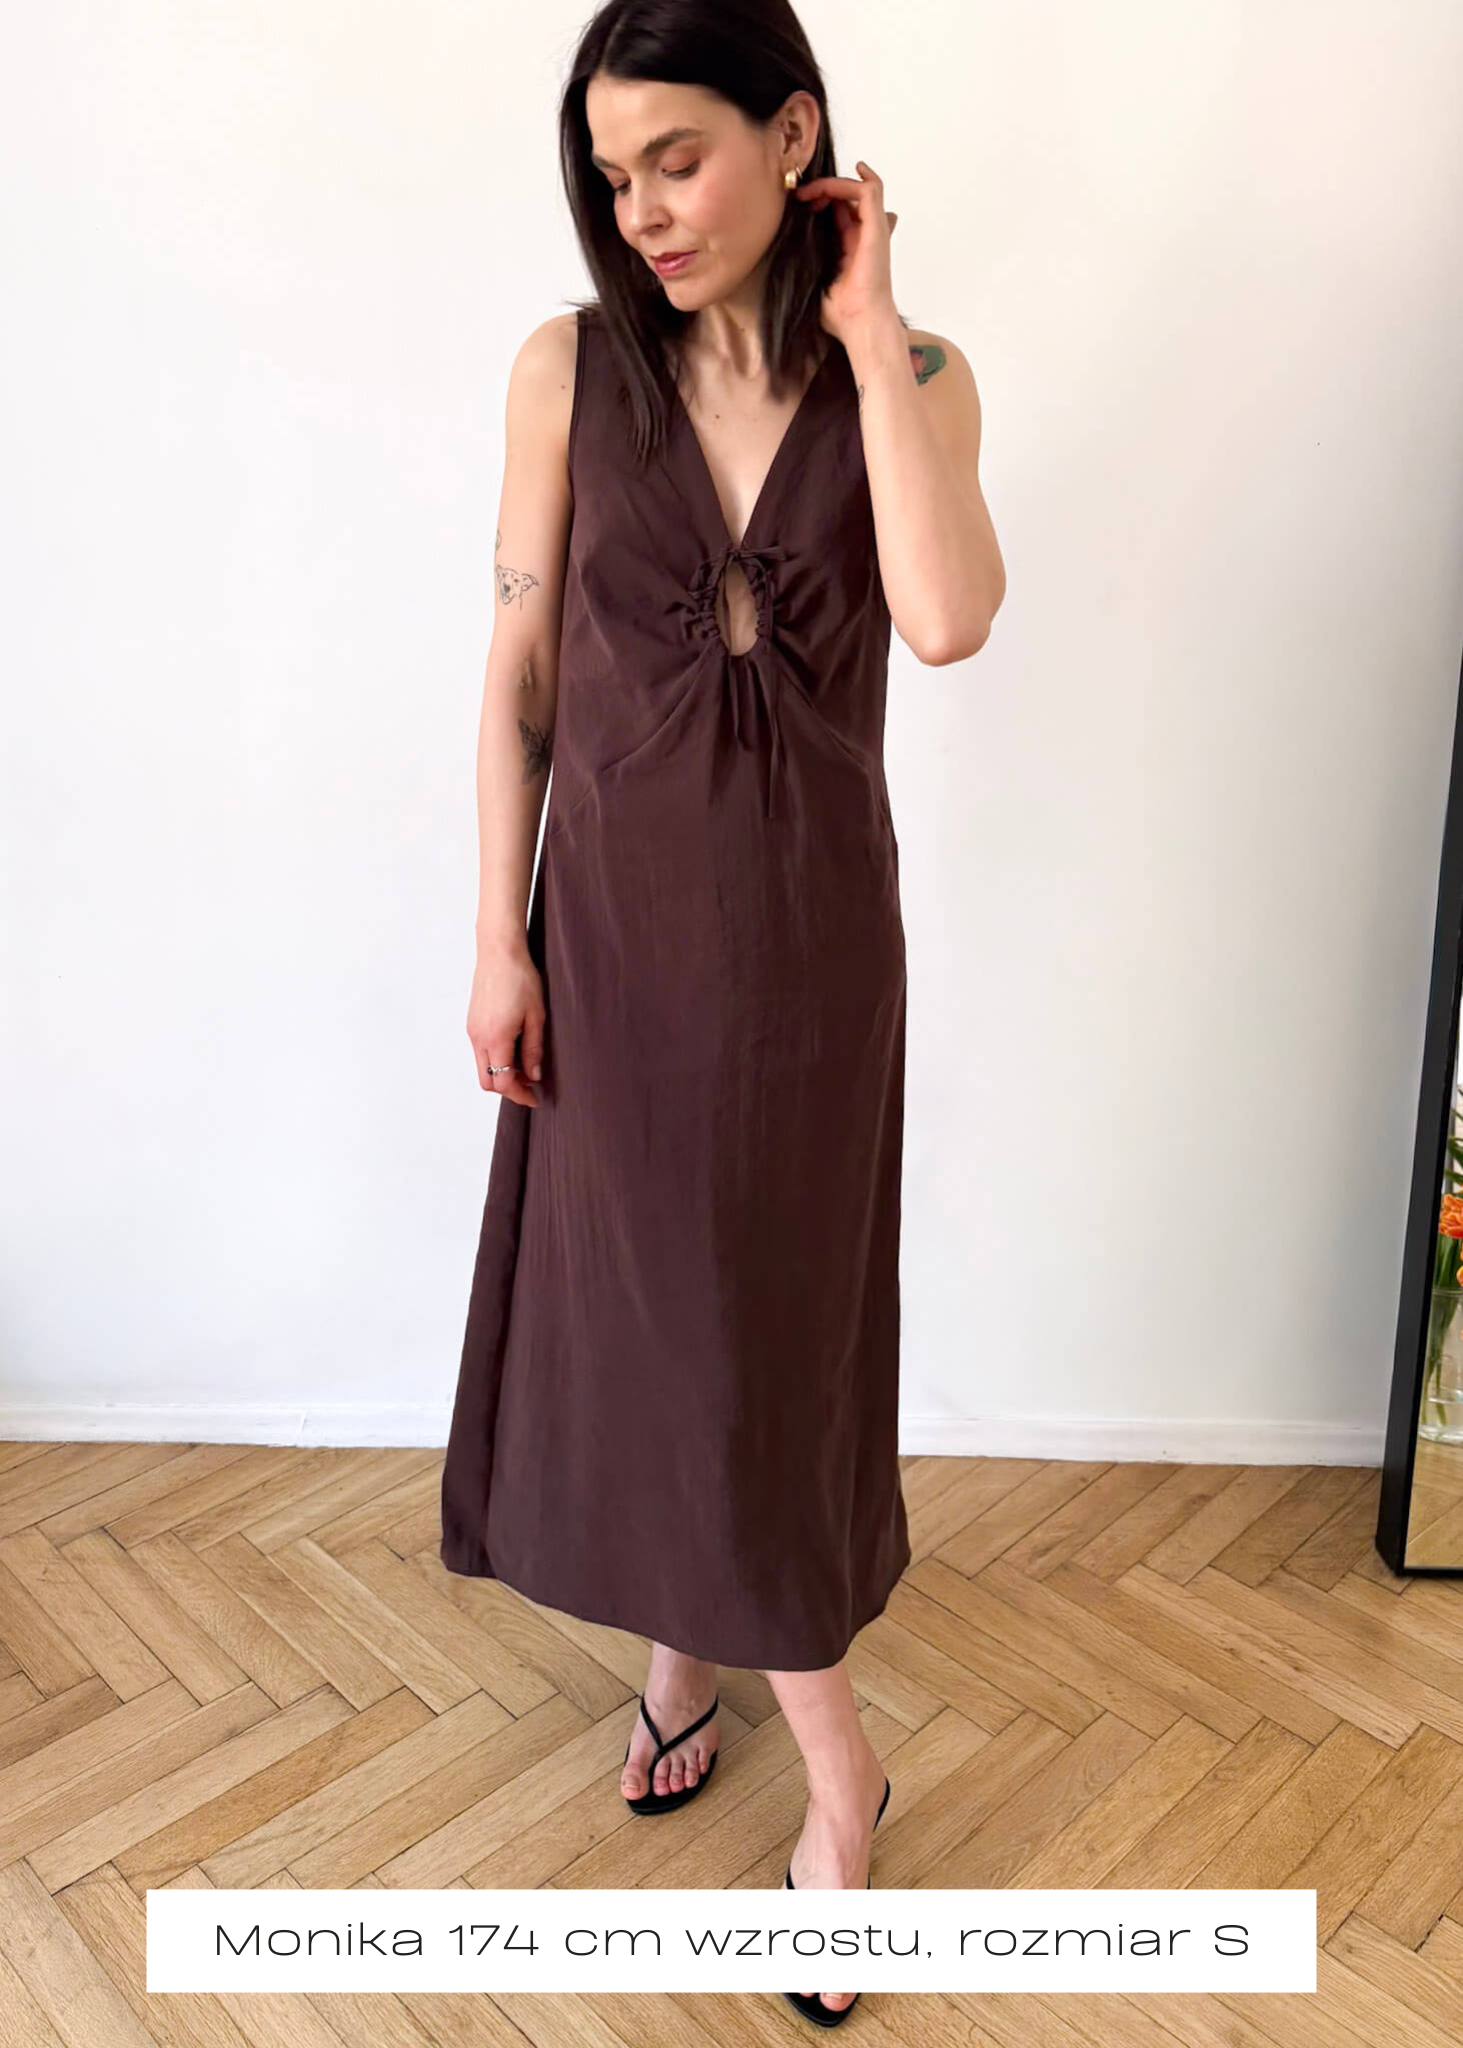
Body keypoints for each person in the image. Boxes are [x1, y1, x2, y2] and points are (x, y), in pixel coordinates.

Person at [440, 0, 1004, 2023]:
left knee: (764, 1330)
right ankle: (729, 1679)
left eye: (675, 158)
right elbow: (518, 673)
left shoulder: (912, 377)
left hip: (810, 950)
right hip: (610, 934)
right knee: (657, 1314)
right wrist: (496, 937)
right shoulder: (565, 371)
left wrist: (868, 326)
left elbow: (945, 618)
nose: (643, 211)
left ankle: (823, 1764)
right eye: (613, 178)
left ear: (792, 133)